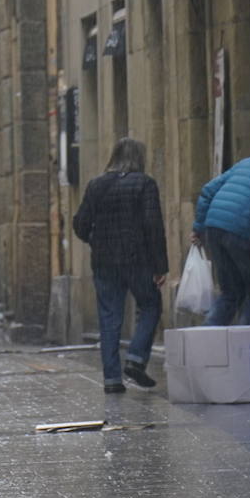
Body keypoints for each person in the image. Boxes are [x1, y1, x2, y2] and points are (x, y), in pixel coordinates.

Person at [72, 138, 169, 393]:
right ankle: (136, 359)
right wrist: (161, 265)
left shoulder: (96, 185)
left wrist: (95, 240)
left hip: (104, 261)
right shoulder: (145, 184)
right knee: (150, 305)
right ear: (139, 158)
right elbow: (153, 225)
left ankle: (112, 379)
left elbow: (80, 224)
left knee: (109, 316)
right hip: (138, 259)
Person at [192, 155, 250, 326]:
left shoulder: (245, 162)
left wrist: (198, 228)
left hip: (214, 226)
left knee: (230, 292)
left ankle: (206, 339)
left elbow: (208, 190)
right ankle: (244, 344)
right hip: (242, 228)